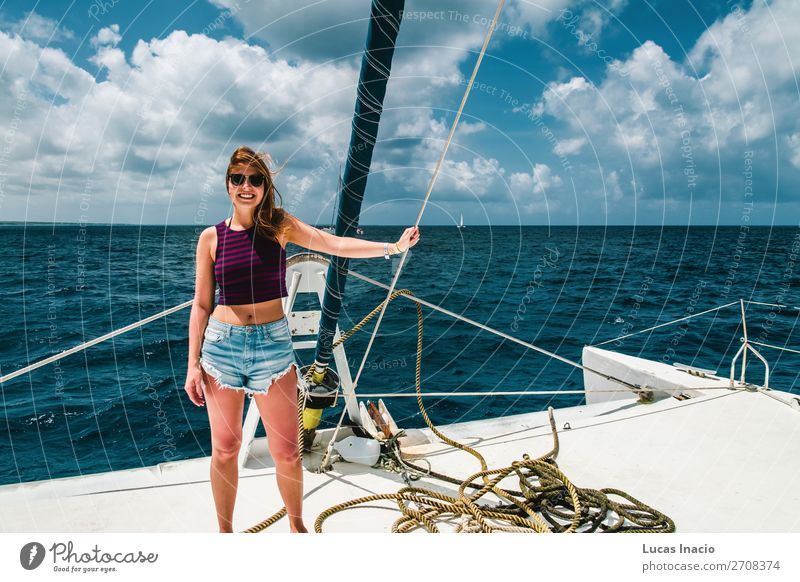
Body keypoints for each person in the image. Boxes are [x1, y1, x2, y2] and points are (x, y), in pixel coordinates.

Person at [184, 146, 421, 533]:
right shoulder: (210, 238)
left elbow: (336, 245)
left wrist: (392, 248)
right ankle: (224, 535)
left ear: (265, 185)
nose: (247, 186)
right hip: (221, 348)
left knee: (287, 452)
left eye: (255, 179)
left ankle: (297, 528)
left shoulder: (280, 226)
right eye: (238, 178)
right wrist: (193, 364)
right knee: (225, 450)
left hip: (273, 347)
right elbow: (201, 305)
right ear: (228, 185)